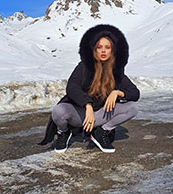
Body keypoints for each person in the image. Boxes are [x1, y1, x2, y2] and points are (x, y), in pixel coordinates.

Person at [39, 24, 140, 153]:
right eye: (99, 47)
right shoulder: (84, 66)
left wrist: (118, 92)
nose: (103, 51)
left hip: (100, 115)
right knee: (59, 111)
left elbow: (135, 93)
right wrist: (87, 105)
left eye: (107, 47)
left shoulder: (116, 71)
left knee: (132, 108)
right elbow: (72, 87)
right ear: (94, 50)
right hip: (81, 115)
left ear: (112, 51)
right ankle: (63, 133)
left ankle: (101, 132)